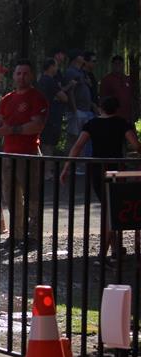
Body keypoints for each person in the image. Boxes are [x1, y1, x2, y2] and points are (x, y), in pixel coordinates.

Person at [60, 96, 141, 261]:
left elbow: (78, 146)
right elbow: (135, 144)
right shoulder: (121, 123)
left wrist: (67, 166)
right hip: (117, 170)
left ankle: (113, 249)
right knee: (113, 209)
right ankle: (105, 253)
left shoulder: (91, 124)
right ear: (116, 108)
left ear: (100, 108)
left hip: (97, 170)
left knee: (109, 208)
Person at [0, 59, 48, 248]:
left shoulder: (37, 97)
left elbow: (37, 125)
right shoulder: (7, 98)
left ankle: (33, 236)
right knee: (11, 196)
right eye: (18, 73)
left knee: (32, 195)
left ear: (31, 75)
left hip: (28, 152)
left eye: (25, 73)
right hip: (8, 153)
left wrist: (11, 130)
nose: (22, 77)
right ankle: (16, 235)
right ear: (14, 76)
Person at [36, 58, 69, 177]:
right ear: (50, 67)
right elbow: (64, 97)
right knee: (48, 145)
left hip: (43, 116)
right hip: (51, 117)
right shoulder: (50, 81)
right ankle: (47, 171)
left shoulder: (41, 81)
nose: (57, 69)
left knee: (44, 143)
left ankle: (44, 170)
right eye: (55, 66)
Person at [100, 55, 134, 123]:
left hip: (127, 116)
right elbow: (103, 98)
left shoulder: (128, 79)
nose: (117, 65)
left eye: (120, 63)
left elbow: (131, 97)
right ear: (112, 65)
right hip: (113, 117)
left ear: (123, 65)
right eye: (115, 63)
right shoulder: (106, 80)